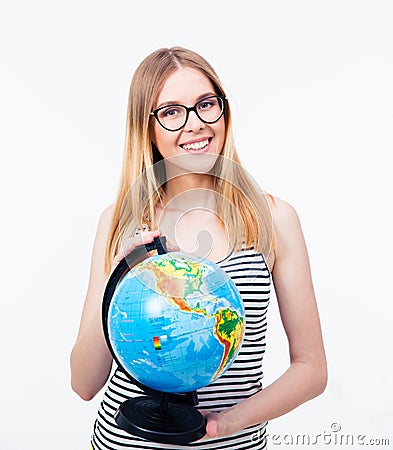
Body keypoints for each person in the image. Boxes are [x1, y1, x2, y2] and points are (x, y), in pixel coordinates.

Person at [70, 46, 327, 450]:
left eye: (206, 104)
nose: (195, 124)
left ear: (224, 111)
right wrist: (115, 281)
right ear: (146, 127)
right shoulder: (118, 221)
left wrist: (226, 424)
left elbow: (312, 369)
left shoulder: (273, 218)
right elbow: (83, 383)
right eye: (171, 111)